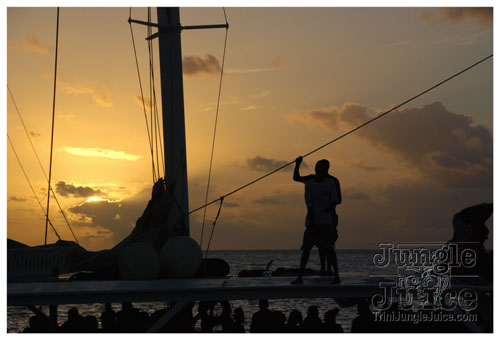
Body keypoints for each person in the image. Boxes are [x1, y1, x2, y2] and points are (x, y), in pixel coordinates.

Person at [292, 156, 341, 284]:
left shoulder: (333, 181)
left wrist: (329, 208)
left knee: (329, 247)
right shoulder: (310, 181)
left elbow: (338, 199)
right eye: (316, 168)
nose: (318, 170)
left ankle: (332, 272)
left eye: (320, 168)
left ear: (326, 169)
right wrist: (298, 164)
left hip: (328, 219)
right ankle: (302, 275)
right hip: (312, 221)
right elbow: (296, 178)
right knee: (307, 249)